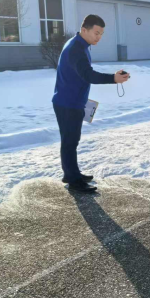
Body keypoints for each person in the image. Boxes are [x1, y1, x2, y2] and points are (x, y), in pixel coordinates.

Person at [52, 14, 130, 193]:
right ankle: (73, 180)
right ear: (84, 30)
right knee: (70, 142)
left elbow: (82, 74)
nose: (99, 37)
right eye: (96, 33)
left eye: (101, 34)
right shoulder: (76, 49)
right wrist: (113, 79)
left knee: (71, 140)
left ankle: (72, 174)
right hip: (68, 103)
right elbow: (88, 75)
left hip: (73, 101)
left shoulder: (80, 44)